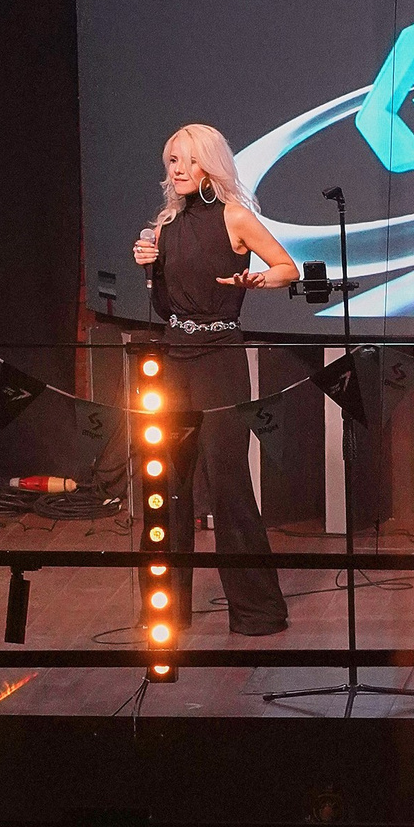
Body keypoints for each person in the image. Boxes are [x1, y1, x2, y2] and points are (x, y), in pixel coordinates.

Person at [132, 121, 298, 637]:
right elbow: (164, 306)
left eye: (189, 160)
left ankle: (257, 612)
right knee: (166, 484)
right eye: (172, 161)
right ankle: (165, 609)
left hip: (221, 359)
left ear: (210, 164)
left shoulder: (234, 216)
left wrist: (256, 279)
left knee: (228, 483)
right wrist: (149, 268)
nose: (179, 169)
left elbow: (287, 268)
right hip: (174, 358)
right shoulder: (165, 226)